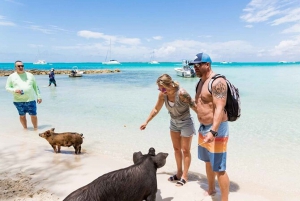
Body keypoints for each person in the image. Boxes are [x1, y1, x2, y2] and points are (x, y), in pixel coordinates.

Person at [140, 74, 197, 186]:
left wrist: (209, 124)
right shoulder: (162, 95)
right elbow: (156, 109)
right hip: (174, 123)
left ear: (170, 84)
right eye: (160, 88)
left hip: (186, 122)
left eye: (163, 88)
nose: (162, 90)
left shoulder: (182, 93)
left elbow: (195, 107)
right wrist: (146, 121)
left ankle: (185, 176)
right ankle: (179, 173)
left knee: (185, 150)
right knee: (176, 149)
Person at [189, 53, 230, 201]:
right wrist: (187, 100)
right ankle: (211, 188)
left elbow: (219, 107)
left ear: (207, 64)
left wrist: (213, 131)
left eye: (198, 65)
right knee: (207, 161)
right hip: (203, 127)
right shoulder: (199, 82)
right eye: (194, 65)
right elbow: (200, 106)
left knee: (219, 167)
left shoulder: (218, 82)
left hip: (216, 129)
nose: (195, 68)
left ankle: (225, 199)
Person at [5, 60, 42, 130]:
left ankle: (35, 129)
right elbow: (7, 87)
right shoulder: (11, 76)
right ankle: (25, 129)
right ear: (15, 67)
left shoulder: (30, 75)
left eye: (22, 66)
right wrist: (14, 90)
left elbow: (35, 87)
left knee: (33, 115)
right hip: (18, 100)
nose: (21, 67)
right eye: (19, 66)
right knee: (22, 116)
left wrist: (39, 96)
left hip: (30, 99)